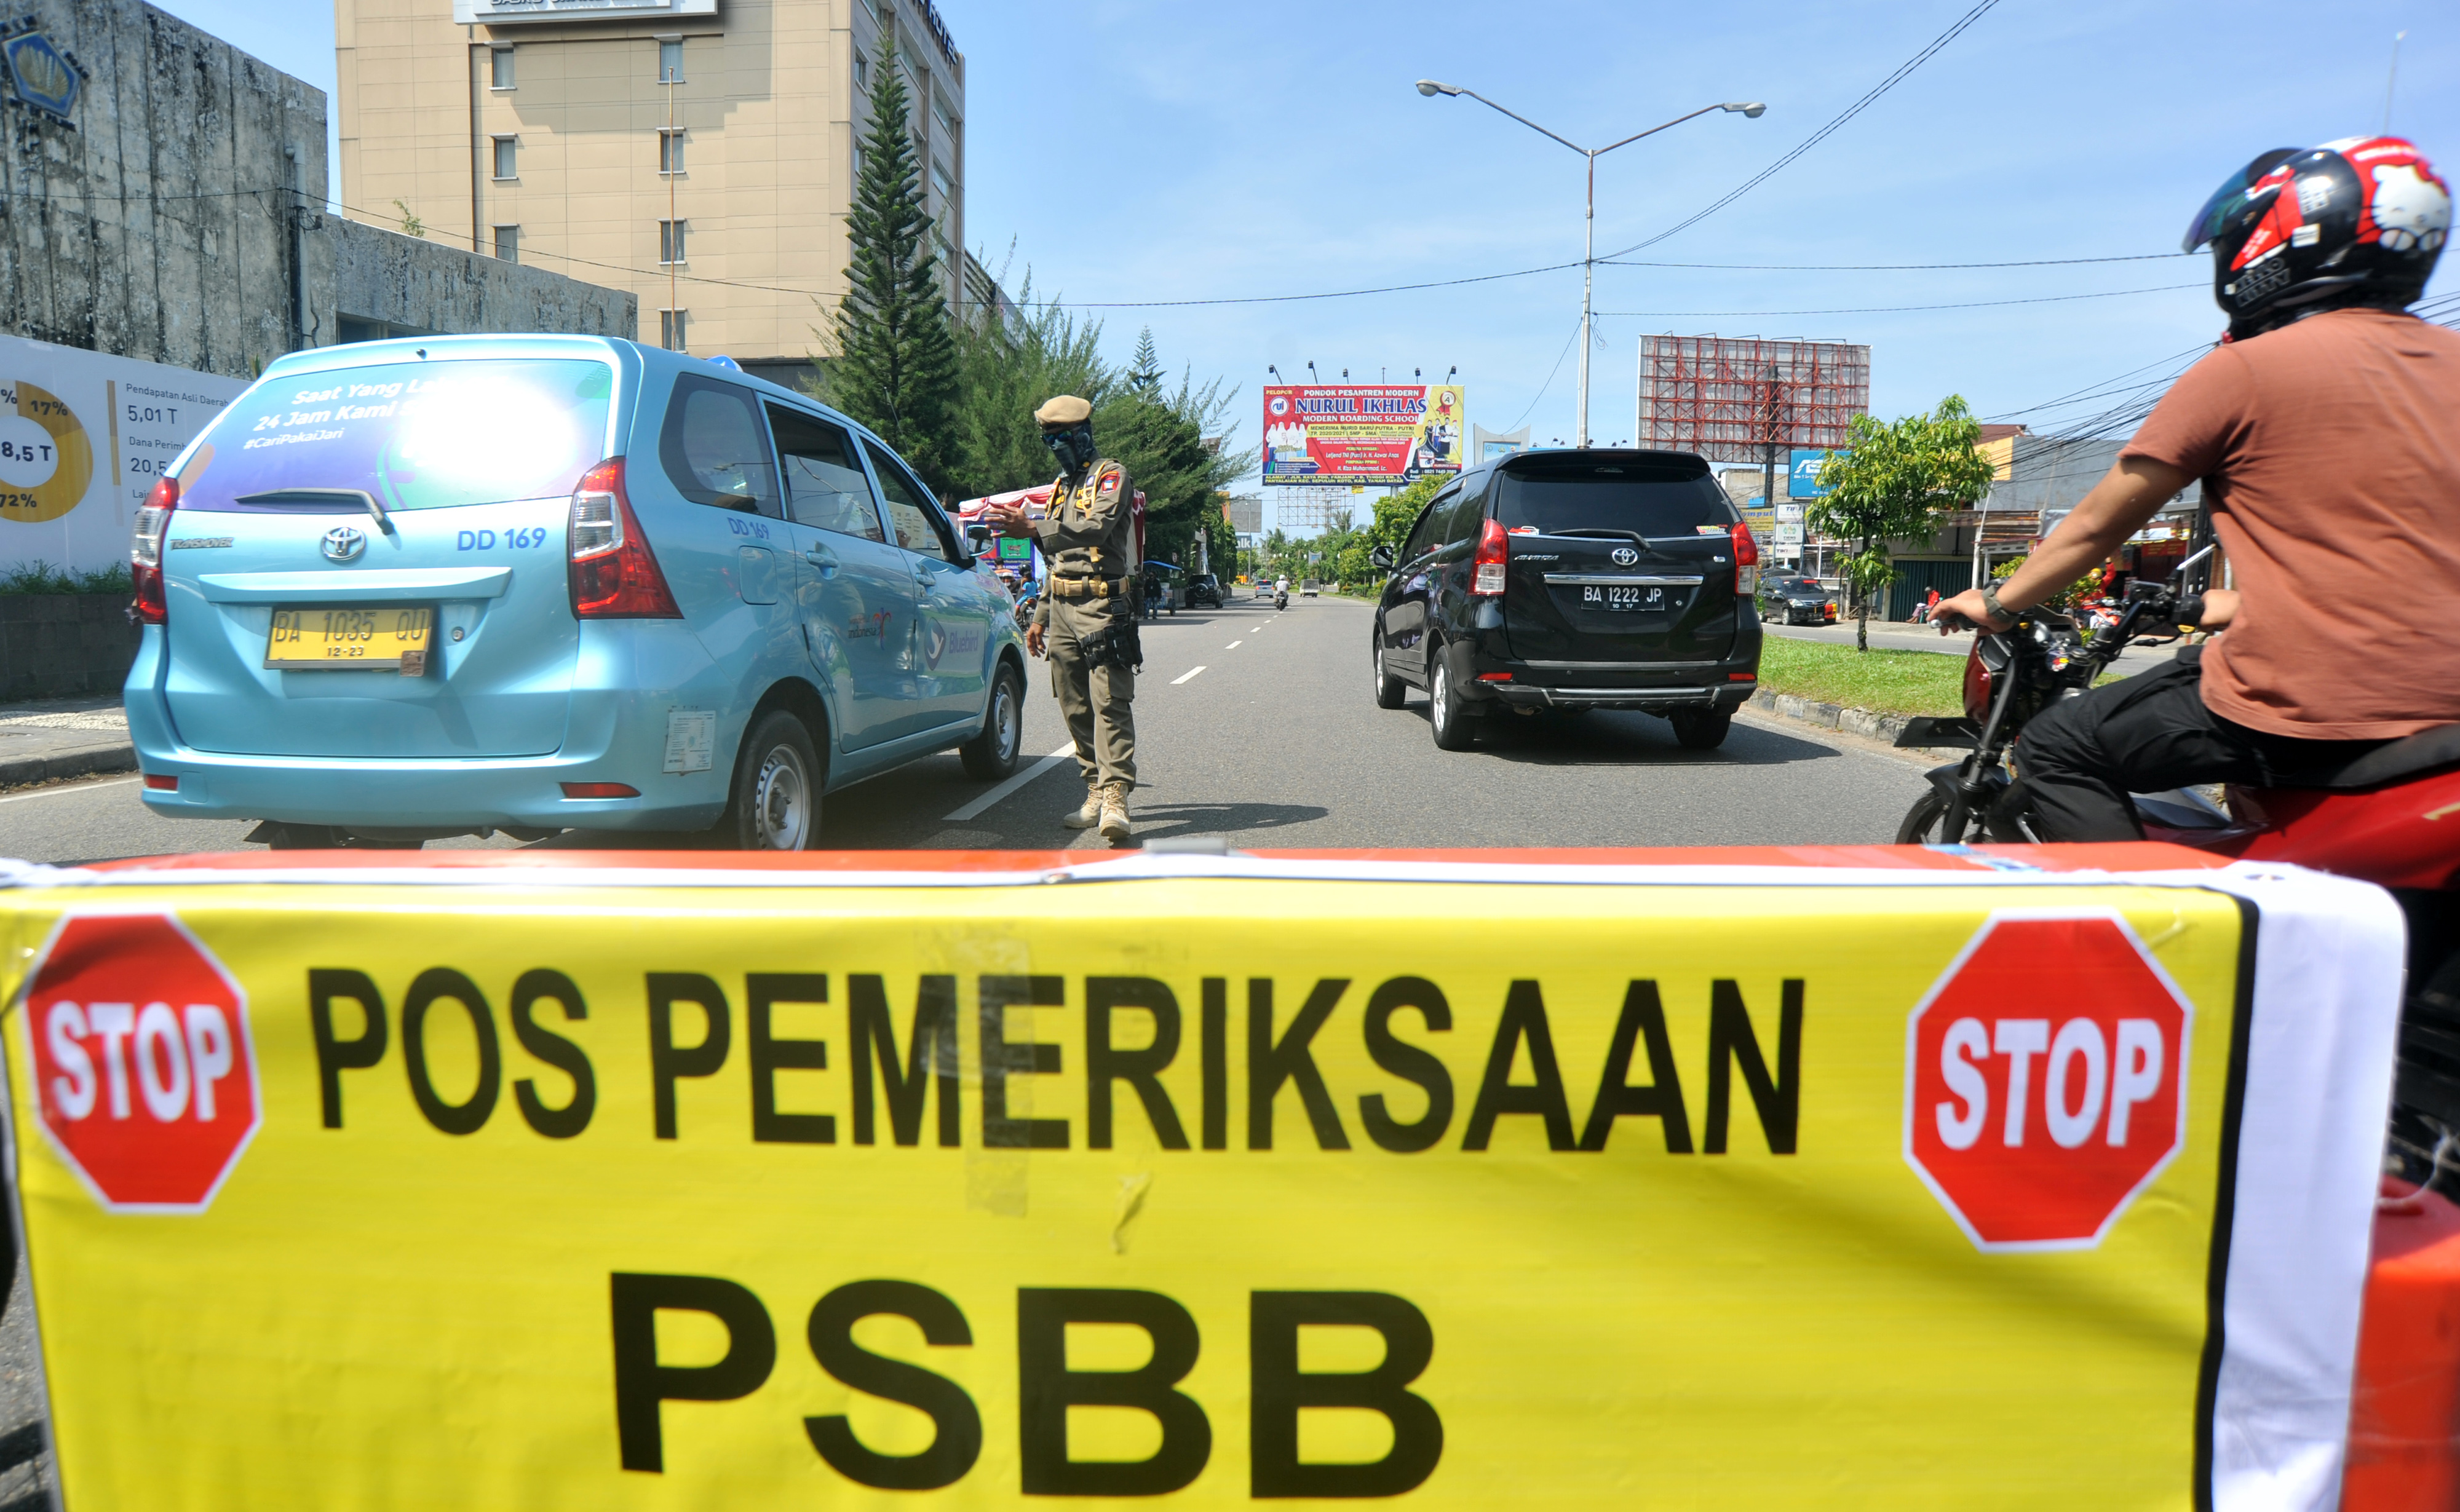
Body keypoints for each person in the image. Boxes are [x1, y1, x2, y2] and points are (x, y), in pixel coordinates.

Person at [1930, 135, 2459, 841]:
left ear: (2276, 242)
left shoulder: (2244, 369)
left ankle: (2143, 944)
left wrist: (1996, 601)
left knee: (2057, 747)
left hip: (2307, 705)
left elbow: (2095, 526)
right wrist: (2235, 602)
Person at [985, 395, 1139, 845]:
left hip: (1103, 605)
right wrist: (1040, 616)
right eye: (1048, 439)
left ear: (1084, 434)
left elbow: (1096, 528)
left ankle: (1116, 796)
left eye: (1062, 438)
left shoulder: (1111, 477)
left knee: (1110, 703)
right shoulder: (1058, 489)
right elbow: (1058, 562)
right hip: (1064, 611)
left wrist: (1034, 528)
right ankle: (1093, 787)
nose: (1056, 447)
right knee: (1074, 707)